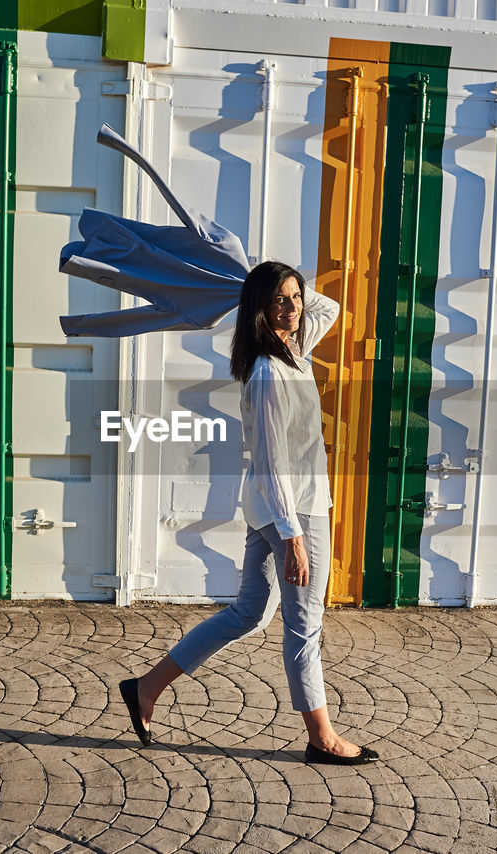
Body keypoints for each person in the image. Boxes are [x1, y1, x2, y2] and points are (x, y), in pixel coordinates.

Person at [119, 260, 379, 766]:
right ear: (259, 308)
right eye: (279, 299)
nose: (294, 307)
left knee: (249, 613)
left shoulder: (295, 351)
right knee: (305, 625)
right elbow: (271, 461)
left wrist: (256, 272)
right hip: (292, 513)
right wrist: (294, 537)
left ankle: (146, 687)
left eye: (294, 297)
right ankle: (322, 739)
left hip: (275, 511)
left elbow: (331, 306)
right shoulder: (267, 373)